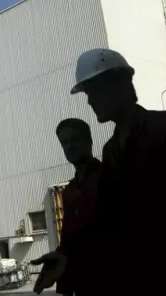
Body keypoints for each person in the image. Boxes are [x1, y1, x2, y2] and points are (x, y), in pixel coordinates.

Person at [33, 48, 166, 294]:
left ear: (118, 83)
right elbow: (107, 219)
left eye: (93, 91)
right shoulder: (112, 151)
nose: (89, 101)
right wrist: (66, 254)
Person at [54, 118, 102, 296]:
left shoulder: (109, 177)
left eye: (74, 140)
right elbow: (67, 237)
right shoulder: (69, 191)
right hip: (82, 283)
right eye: (64, 143)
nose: (68, 147)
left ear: (89, 141)